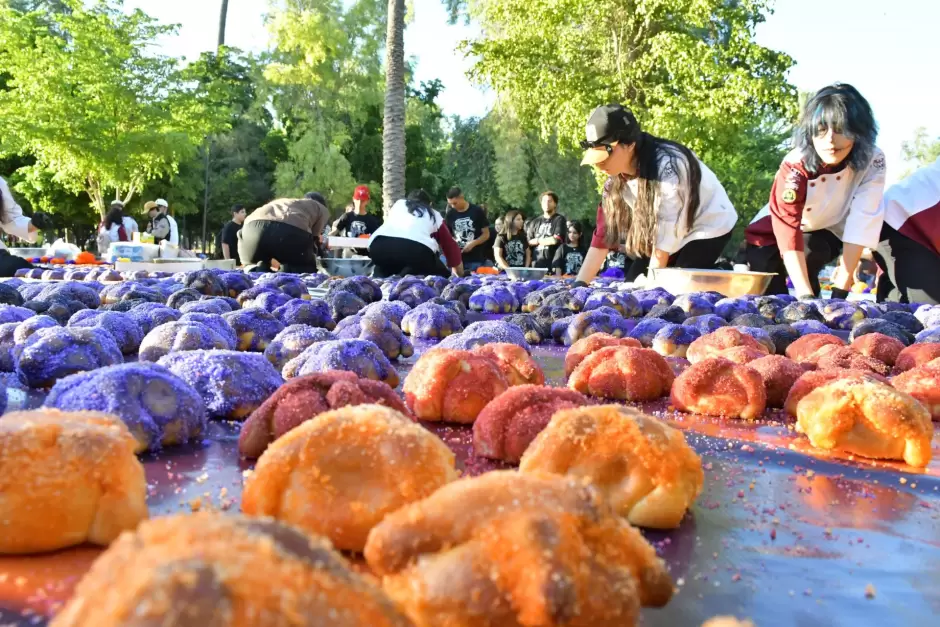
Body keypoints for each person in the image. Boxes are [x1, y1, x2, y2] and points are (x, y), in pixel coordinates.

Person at [743, 83, 885, 299]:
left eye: (840, 129)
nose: (829, 139)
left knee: (811, 250)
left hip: (826, 231)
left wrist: (840, 293)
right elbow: (787, 229)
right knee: (769, 288)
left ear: (859, 131)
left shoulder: (873, 160)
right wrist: (805, 297)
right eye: (821, 130)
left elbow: (861, 223)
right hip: (773, 232)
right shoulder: (795, 164)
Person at [574, 104, 738, 285]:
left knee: (677, 287)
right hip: (663, 232)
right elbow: (603, 236)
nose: (598, 164)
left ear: (629, 144)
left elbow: (666, 232)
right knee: (631, 284)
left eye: (605, 153)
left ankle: (720, 274)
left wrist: (652, 290)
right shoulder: (614, 180)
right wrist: (579, 284)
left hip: (707, 225)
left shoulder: (669, 168)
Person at [873, 156, 940, 305]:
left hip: (927, 231)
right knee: (931, 309)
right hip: (897, 221)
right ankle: (891, 295)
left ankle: (898, 281)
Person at [368, 189, 464, 278]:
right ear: (429, 204)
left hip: (377, 246)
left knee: (387, 267)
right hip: (416, 250)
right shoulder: (433, 214)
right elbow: (450, 246)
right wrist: (460, 275)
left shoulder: (398, 205)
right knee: (442, 275)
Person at [238, 197, 330, 273]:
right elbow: (315, 237)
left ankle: (257, 269)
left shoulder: (285, 201)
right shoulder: (320, 208)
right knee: (302, 269)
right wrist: (319, 259)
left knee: (252, 268)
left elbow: (240, 233)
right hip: (288, 231)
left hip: (249, 230)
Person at [445, 186, 491, 272]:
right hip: (458, 260)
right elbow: (448, 236)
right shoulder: (450, 214)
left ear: (461, 197)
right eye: (450, 204)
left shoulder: (477, 211)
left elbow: (486, 234)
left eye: (455, 203)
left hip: (476, 259)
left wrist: (473, 243)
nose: (453, 206)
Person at [526, 191, 567, 269]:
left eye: (550, 201)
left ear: (555, 204)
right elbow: (529, 243)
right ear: (541, 204)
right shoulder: (535, 222)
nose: (546, 203)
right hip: (536, 265)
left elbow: (555, 240)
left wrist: (537, 241)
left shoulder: (559, 219)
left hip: (553, 265)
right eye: (544, 201)